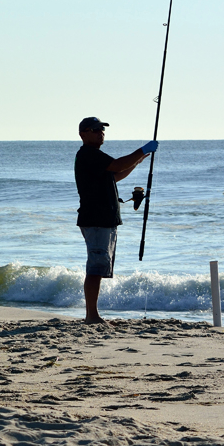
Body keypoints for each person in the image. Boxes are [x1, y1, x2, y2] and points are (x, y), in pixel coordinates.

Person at [75, 117, 158, 324]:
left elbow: (115, 175)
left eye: (102, 129)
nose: (100, 132)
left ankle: (92, 314)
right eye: (95, 129)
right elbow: (117, 164)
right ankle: (91, 316)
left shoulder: (95, 157)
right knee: (95, 268)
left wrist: (138, 160)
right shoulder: (88, 154)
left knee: (99, 267)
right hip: (96, 221)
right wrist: (141, 150)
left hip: (103, 220)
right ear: (83, 134)